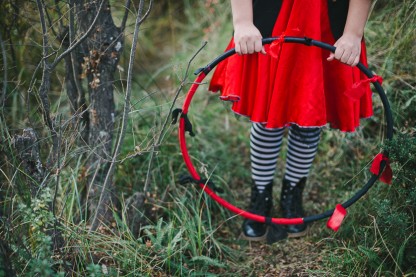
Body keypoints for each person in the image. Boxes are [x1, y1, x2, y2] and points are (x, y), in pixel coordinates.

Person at [209, 0, 373, 241]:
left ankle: (292, 196)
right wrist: (242, 21)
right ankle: (260, 197)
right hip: (273, 15)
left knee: (309, 117)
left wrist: (352, 32)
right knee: (267, 117)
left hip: (325, 19)